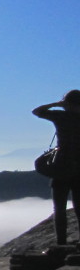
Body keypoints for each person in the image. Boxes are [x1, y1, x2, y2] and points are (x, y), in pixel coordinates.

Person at [33, 89, 80, 246]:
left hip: (61, 168)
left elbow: (37, 111)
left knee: (59, 209)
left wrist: (56, 104)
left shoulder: (61, 116)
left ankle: (61, 244)